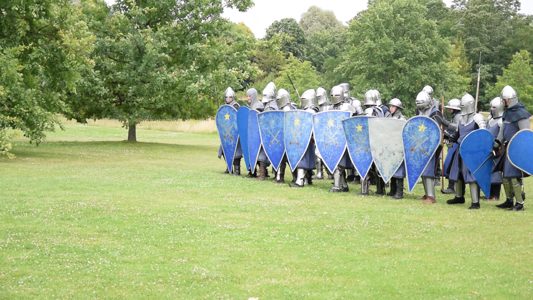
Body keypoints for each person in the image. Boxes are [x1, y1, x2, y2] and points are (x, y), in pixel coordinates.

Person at [493, 85, 531, 211]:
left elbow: (524, 134)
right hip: (507, 148)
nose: (502, 102)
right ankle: (509, 200)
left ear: (509, 99)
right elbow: (502, 132)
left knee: (514, 176)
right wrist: (496, 145)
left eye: (504, 100)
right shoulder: (507, 113)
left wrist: (521, 152)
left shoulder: (521, 114)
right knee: (504, 176)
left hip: (516, 149)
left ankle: (519, 203)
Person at [445, 94, 486, 209]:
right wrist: (450, 137)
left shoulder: (478, 118)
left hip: (472, 153)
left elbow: (484, 136)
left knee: (472, 176)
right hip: (460, 150)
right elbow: (458, 135)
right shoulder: (461, 119)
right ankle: (459, 197)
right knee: (457, 174)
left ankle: (475, 202)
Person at [414, 91, 444, 204]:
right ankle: (427, 194)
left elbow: (434, 129)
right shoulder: (420, 112)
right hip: (421, 145)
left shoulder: (436, 113)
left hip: (432, 145)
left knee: (429, 170)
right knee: (423, 169)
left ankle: (431, 196)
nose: (421, 110)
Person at [360, 89, 387, 195]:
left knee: (367, 166)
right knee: (376, 167)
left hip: (370, 141)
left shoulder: (370, 111)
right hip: (378, 141)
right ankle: (380, 189)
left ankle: (365, 190)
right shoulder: (381, 111)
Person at [329, 85, 356, 193]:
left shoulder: (347, 107)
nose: (334, 97)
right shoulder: (331, 108)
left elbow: (353, 122)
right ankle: (344, 185)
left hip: (344, 139)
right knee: (337, 163)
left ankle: (337, 186)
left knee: (339, 164)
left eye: (335, 95)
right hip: (334, 139)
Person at [290, 89, 319, 187]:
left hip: (308, 139)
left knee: (302, 159)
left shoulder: (310, 111)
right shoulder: (309, 111)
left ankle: (300, 181)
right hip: (305, 139)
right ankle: (308, 179)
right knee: (306, 159)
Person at [218, 87, 243, 175]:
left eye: (230, 97)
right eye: (226, 97)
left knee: (236, 152)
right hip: (226, 132)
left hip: (235, 133)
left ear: (233, 97)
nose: (228, 99)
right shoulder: (224, 107)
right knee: (225, 150)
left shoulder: (236, 106)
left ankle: (237, 170)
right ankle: (229, 168)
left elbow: (238, 119)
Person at [272, 89, 294, 184]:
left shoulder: (288, 110)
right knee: (282, 159)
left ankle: (297, 177)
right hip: (281, 137)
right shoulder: (281, 109)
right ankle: (280, 177)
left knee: (290, 159)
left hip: (289, 138)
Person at [256, 82, 277, 181]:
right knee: (265, 153)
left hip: (272, 135)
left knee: (274, 154)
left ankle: (265, 175)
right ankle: (268, 174)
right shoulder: (269, 106)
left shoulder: (272, 107)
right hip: (268, 134)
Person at [386, 98, 407, 199]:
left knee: (399, 169)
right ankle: (392, 190)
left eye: (393, 106)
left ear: (398, 108)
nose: (391, 108)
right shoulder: (389, 118)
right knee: (391, 168)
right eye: (390, 106)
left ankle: (399, 192)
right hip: (390, 146)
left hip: (398, 147)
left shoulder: (402, 120)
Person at [441, 98, 461, 194]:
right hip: (452, 143)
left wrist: (446, 123)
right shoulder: (455, 116)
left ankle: (451, 187)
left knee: (452, 165)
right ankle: (451, 186)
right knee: (449, 164)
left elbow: (457, 127)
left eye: (451, 108)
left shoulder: (459, 116)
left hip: (456, 143)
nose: (449, 110)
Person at [485, 97, 504, 201]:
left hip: (497, 151)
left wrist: (498, 149)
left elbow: (503, 137)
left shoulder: (502, 121)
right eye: (491, 107)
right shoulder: (489, 119)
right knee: (488, 172)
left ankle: (496, 195)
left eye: (494, 107)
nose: (492, 109)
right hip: (488, 150)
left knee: (496, 173)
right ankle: (490, 194)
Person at [242, 88, 263, 178]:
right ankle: (252, 171)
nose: (248, 98)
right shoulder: (252, 106)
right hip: (251, 133)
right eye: (247, 96)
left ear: (253, 95)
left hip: (257, 134)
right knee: (251, 152)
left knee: (259, 154)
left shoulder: (259, 106)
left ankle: (261, 173)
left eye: (249, 96)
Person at [313, 87, 332, 180]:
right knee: (318, 153)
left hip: (330, 134)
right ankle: (320, 173)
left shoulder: (331, 107)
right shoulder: (319, 108)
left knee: (328, 154)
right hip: (320, 132)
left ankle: (330, 173)